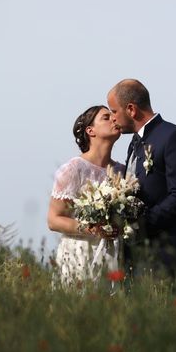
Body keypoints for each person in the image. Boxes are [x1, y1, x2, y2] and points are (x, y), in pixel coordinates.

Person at [107, 79, 176, 292]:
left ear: (131, 109)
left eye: (114, 111)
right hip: (134, 254)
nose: (112, 118)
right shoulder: (134, 143)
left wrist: (141, 224)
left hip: (163, 252)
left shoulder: (174, 137)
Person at [47, 105, 125, 285]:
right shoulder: (74, 169)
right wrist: (92, 229)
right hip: (79, 253)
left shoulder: (122, 171)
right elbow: (53, 220)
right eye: (106, 117)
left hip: (112, 255)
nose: (114, 119)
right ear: (91, 131)